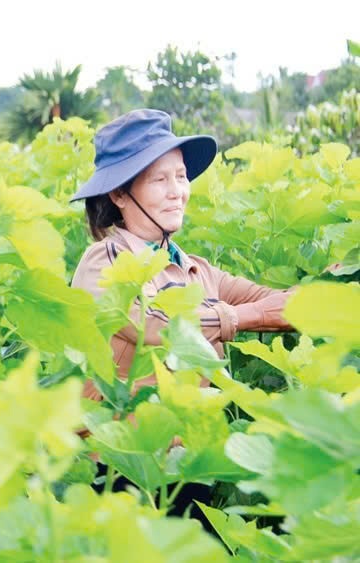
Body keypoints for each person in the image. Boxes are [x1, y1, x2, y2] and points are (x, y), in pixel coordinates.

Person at [68, 109, 294, 523]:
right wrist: (244, 318)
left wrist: (327, 294)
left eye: (181, 177)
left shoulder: (193, 267)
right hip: (119, 468)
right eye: (159, 179)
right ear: (119, 194)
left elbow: (273, 300)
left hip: (180, 467)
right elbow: (151, 323)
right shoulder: (104, 260)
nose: (177, 191)